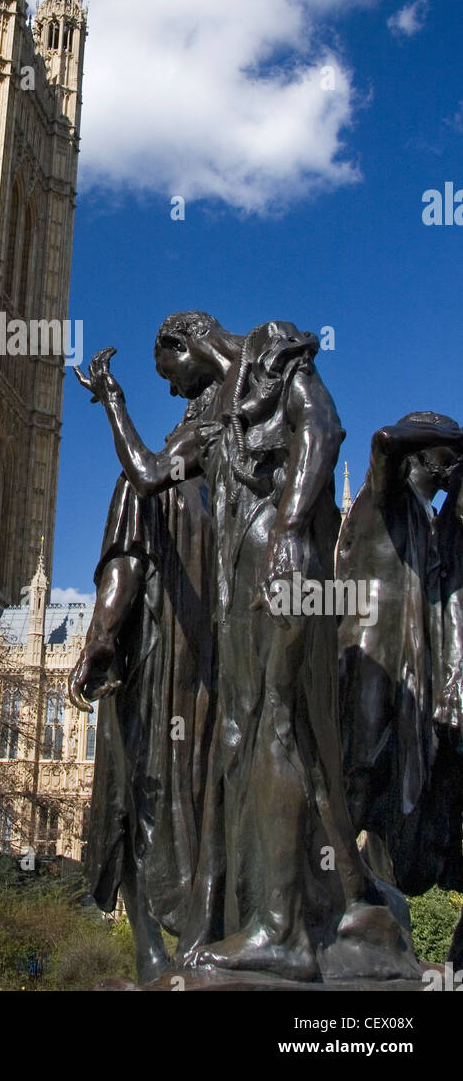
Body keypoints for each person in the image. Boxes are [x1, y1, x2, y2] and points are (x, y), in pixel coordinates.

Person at [76, 312, 419, 982]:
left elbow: (324, 427)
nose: (174, 391)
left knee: (274, 731)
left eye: (169, 375)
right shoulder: (210, 420)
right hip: (244, 582)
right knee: (269, 737)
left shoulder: (270, 348)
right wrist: (114, 405)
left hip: (282, 563)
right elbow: (147, 474)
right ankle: (357, 900)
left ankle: (281, 930)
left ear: (185, 342)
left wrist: (291, 526)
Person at [68, 377, 216, 983]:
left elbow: (123, 574)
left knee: (135, 801)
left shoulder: (145, 485)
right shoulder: (225, 492)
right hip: (210, 677)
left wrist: (97, 646)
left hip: (151, 664)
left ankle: (155, 951)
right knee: (203, 799)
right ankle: (202, 941)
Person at [338, 413, 463, 968]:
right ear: (422, 456)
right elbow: (385, 441)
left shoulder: (430, 522)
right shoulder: (383, 496)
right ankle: (335, 884)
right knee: (360, 766)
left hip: (414, 667)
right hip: (369, 653)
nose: (453, 468)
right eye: (445, 457)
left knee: (398, 780)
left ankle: (368, 886)